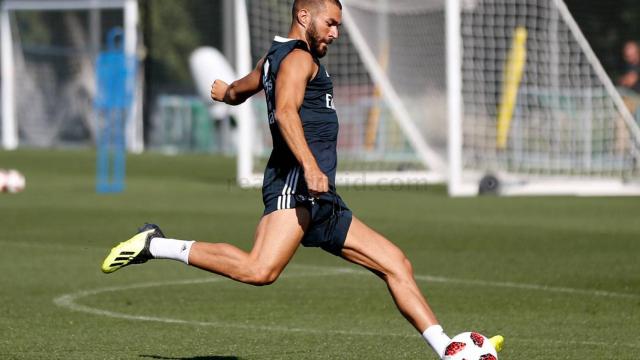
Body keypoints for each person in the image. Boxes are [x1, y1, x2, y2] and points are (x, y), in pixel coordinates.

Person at [101, 1, 503, 358]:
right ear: (304, 15)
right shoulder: (297, 60)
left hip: (320, 194)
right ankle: (154, 244)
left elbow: (244, 88)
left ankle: (448, 350)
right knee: (259, 270)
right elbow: (287, 111)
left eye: (339, 26)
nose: (336, 32)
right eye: (330, 23)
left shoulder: (275, 59)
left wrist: (226, 93)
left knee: (395, 263)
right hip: (297, 181)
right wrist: (310, 166)